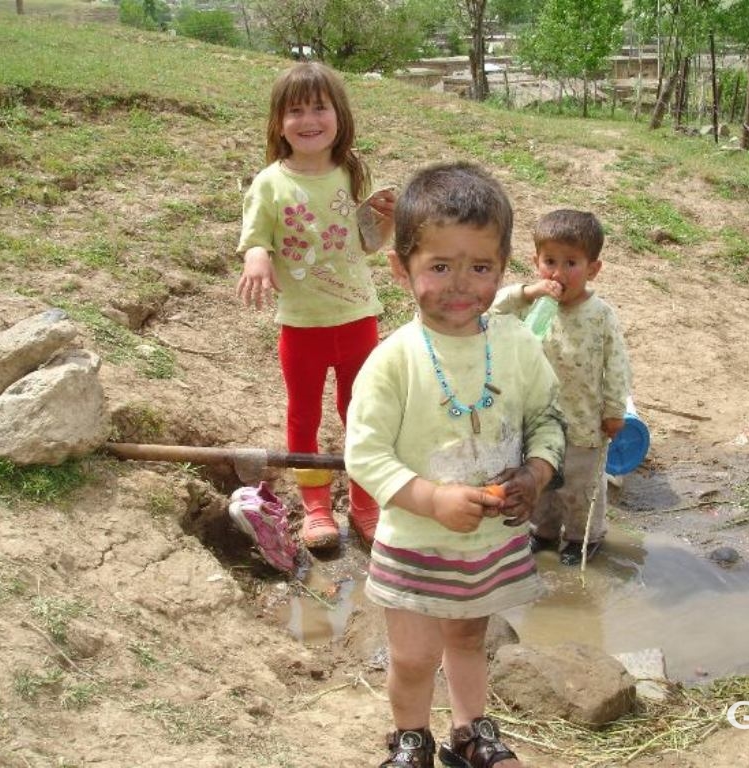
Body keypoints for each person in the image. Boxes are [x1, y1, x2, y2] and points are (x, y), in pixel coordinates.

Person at [344, 162, 565, 768]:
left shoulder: (517, 344)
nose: (460, 285)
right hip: (415, 541)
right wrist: (430, 499)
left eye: (480, 267)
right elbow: (363, 453)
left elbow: (548, 420)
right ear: (401, 268)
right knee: (413, 655)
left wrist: (536, 474)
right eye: (440, 267)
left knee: (470, 638)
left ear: (502, 267)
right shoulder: (395, 360)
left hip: (488, 547)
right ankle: (410, 738)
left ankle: (470, 732)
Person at [235, 61, 395, 552]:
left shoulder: (350, 172)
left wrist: (386, 221)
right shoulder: (269, 183)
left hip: (357, 320)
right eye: (295, 110)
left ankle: (365, 505)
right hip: (301, 325)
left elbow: (368, 242)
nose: (309, 120)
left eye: (319, 108)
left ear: (339, 116)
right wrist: (258, 257)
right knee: (303, 415)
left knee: (361, 413)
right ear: (278, 123)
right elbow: (255, 239)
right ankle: (317, 507)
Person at [491, 210, 630, 566]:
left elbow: (616, 365)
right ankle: (544, 531)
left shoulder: (601, 315)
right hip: (537, 420)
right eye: (549, 261)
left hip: (584, 424)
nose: (558, 273)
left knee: (580, 488)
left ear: (592, 269)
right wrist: (527, 292)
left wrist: (615, 410)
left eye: (571, 263)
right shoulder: (533, 308)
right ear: (535, 262)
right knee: (543, 484)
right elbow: (493, 311)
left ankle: (585, 537)